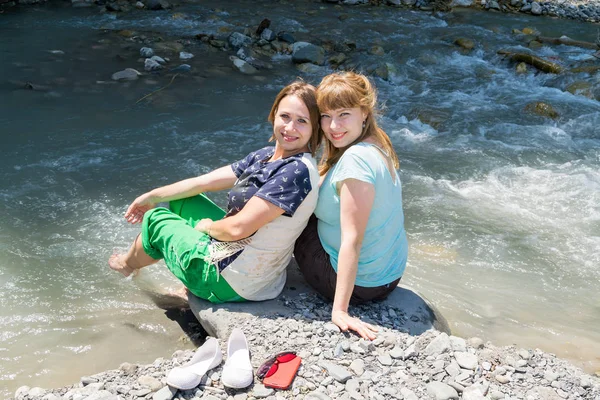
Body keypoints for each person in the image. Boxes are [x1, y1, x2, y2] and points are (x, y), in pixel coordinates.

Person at [109, 81, 322, 303]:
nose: (290, 128)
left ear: (315, 128)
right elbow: (204, 182)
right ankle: (184, 279)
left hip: (235, 281)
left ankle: (127, 265)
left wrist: (208, 227)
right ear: (274, 114)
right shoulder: (266, 156)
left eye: (302, 121)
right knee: (183, 200)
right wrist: (152, 196)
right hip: (239, 257)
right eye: (285, 117)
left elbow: (239, 227)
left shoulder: (296, 171)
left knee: (155, 219)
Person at [294, 72, 408, 339]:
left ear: (364, 112)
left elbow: (352, 240)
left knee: (291, 197)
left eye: (344, 114)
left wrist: (340, 311)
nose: (333, 126)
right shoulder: (377, 143)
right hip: (388, 277)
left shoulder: (355, 161)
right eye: (325, 115)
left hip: (362, 286)